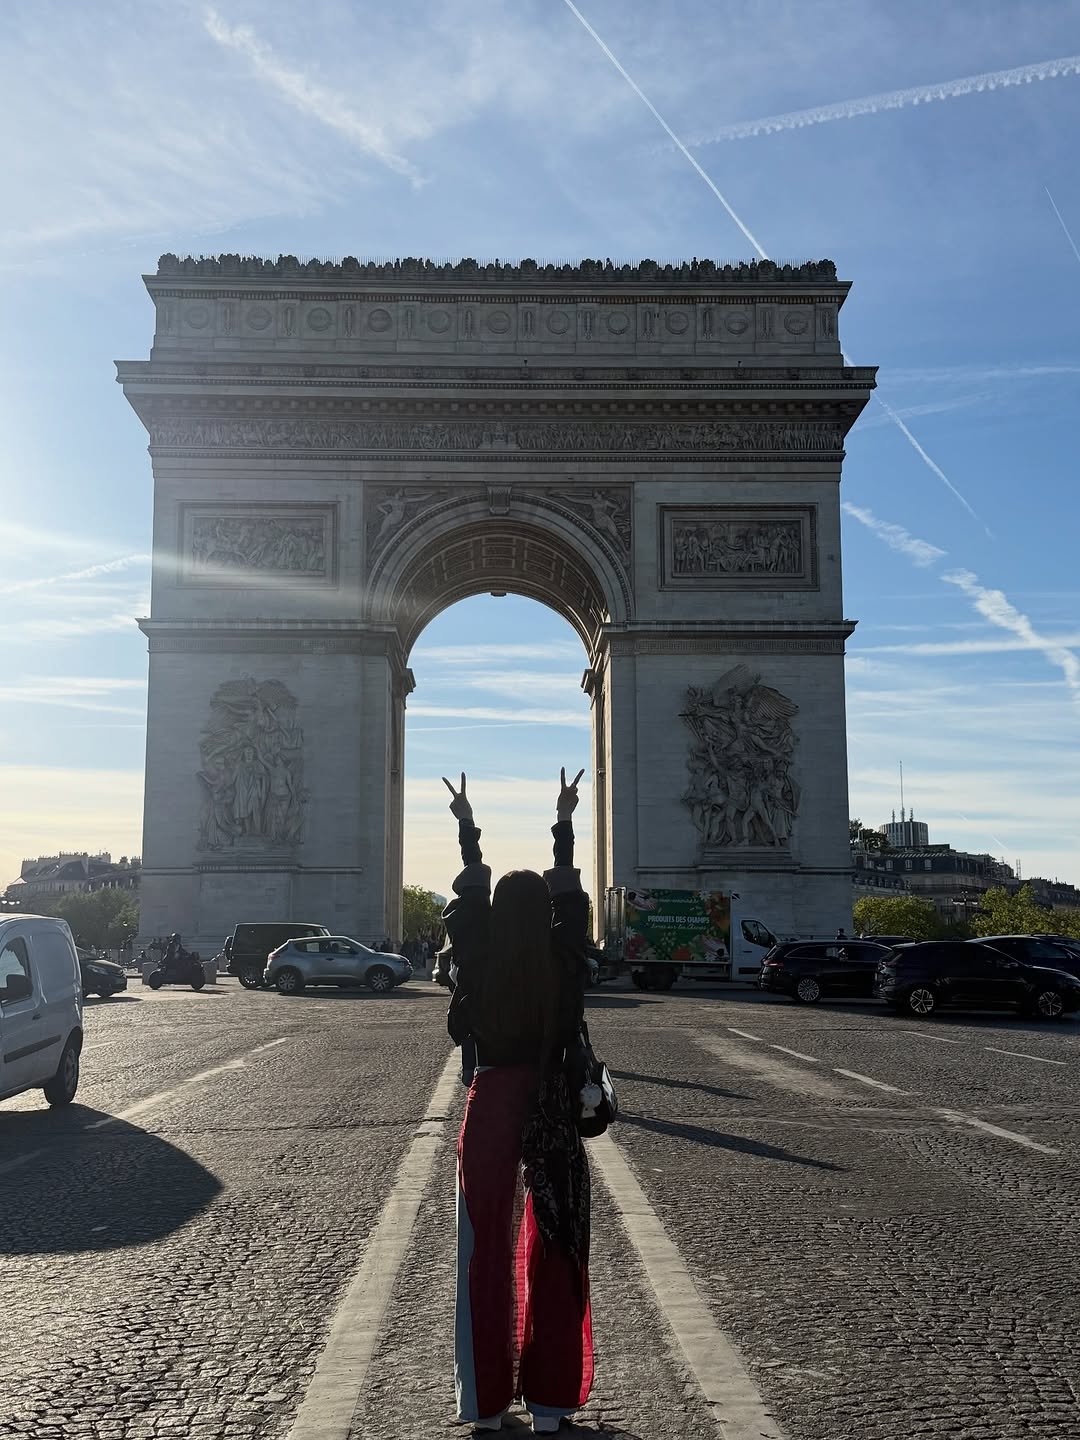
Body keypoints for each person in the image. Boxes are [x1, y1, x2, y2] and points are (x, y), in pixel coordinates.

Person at [441, 767, 592, 1434]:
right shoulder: (566, 956)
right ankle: (554, 1406)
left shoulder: (476, 952)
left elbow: (468, 901)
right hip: (553, 1100)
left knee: (483, 1249)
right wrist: (562, 824)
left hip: (494, 1099)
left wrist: (468, 829)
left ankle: (485, 1405)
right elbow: (571, 901)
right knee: (557, 1244)